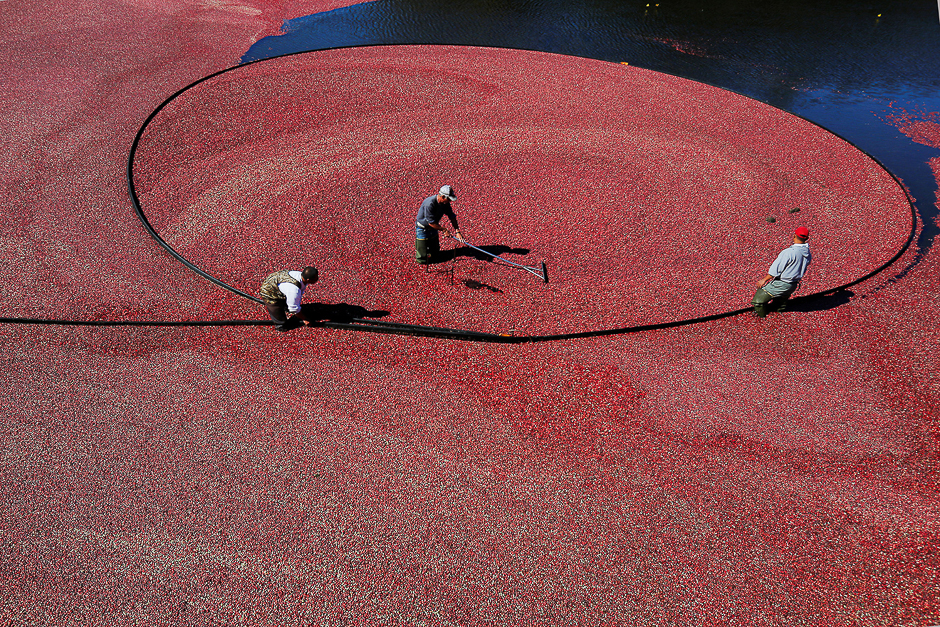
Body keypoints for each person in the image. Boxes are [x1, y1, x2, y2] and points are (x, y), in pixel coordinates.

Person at [751, 226, 812, 318]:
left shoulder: (789, 252)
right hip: (793, 284)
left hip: (782, 283)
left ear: (794, 236)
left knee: (758, 301)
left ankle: (762, 318)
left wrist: (764, 280)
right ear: (806, 239)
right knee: (781, 300)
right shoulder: (807, 253)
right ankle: (779, 314)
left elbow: (776, 270)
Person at [415, 184, 465, 264]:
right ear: (442, 197)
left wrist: (457, 231)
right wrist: (444, 230)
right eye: (448, 199)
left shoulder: (445, 204)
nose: (450, 201)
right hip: (423, 229)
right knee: (422, 257)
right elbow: (431, 223)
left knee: (435, 253)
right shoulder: (429, 204)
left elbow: (452, 216)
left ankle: (434, 256)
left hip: (434, 228)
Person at [259, 266, 319, 332]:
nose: (317, 279)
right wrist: (305, 319)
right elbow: (293, 308)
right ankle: (280, 326)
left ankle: (286, 305)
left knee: (290, 302)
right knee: (276, 308)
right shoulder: (294, 290)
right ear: (308, 280)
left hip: (276, 282)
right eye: (316, 279)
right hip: (268, 292)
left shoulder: (299, 275)